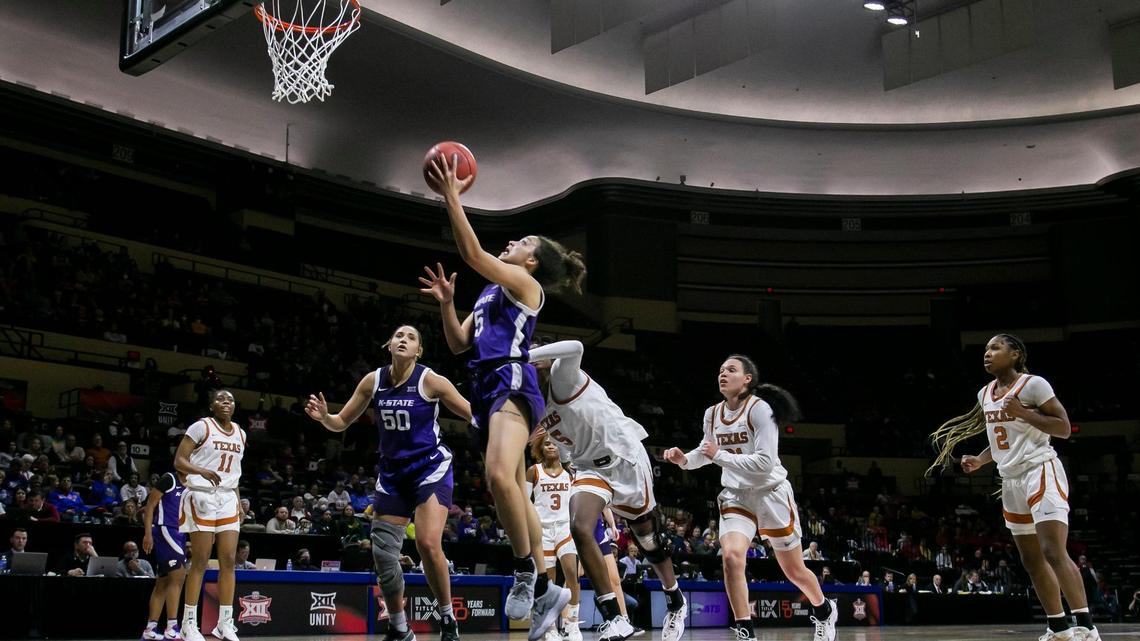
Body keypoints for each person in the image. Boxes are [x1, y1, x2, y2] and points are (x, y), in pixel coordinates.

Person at [421, 152, 584, 638]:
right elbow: (456, 343)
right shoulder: (489, 294)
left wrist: (451, 196)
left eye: (523, 241)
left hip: (513, 380)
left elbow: (473, 255)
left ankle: (525, 574)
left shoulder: (525, 284)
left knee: (497, 475)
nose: (513, 241)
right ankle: (546, 591)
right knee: (512, 493)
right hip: (485, 383)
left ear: (531, 261)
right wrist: (449, 305)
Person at [306, 324, 472, 641]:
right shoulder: (373, 380)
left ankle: (448, 618)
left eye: (411, 337)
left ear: (419, 350)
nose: (403, 340)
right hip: (393, 473)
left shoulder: (430, 380)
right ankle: (399, 627)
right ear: (389, 344)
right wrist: (325, 417)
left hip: (430, 468)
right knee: (383, 555)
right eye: (398, 335)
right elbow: (341, 421)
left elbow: (471, 414)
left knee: (426, 543)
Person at [930, 334, 1099, 641]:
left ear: (1016, 354)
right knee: (1031, 559)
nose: (987, 353)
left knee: (1052, 551)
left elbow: (1063, 428)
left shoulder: (1034, 384)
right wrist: (981, 461)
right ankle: (1059, 627)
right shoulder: (985, 393)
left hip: (1040, 470)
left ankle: (1086, 626)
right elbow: (1000, 441)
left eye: (995, 348)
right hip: (1010, 480)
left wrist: (1024, 413)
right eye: (985, 349)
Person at [665, 355, 837, 641]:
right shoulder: (712, 413)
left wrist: (718, 455)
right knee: (732, 557)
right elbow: (704, 452)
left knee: (794, 571)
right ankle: (746, 631)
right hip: (736, 495)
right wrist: (684, 460)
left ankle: (823, 610)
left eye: (731, 370)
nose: (723, 374)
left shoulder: (760, 410)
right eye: (720, 370)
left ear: (747, 379)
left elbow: (765, 463)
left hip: (770, 493)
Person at [528, 339, 686, 641]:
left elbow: (574, 346)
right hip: (590, 467)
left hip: (624, 458)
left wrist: (526, 354)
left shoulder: (563, 375)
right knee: (580, 526)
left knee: (649, 541)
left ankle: (675, 600)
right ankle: (614, 617)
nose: (532, 359)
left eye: (537, 353)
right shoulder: (532, 403)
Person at [174, 390, 246, 641]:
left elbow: (234, 473)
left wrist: (237, 502)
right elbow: (179, 461)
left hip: (227, 497)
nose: (227, 403)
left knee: (228, 560)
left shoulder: (241, 433)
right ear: (211, 405)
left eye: (231, 401)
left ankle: (225, 623)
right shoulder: (200, 426)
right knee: (201, 560)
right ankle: (188, 623)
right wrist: (200, 470)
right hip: (202, 494)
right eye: (221, 399)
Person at [527, 437, 582, 641]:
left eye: (554, 443)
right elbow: (524, 503)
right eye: (547, 443)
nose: (551, 445)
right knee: (548, 582)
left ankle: (572, 623)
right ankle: (549, 627)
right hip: (542, 529)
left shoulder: (570, 474)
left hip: (564, 527)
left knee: (571, 573)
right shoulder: (533, 471)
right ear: (541, 447)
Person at [141, 471, 188, 640]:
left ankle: (150, 629)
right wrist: (148, 534)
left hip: (180, 533)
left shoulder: (193, 482)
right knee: (178, 575)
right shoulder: (169, 479)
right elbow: (150, 506)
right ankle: (171, 627)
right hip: (164, 529)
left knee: (163, 581)